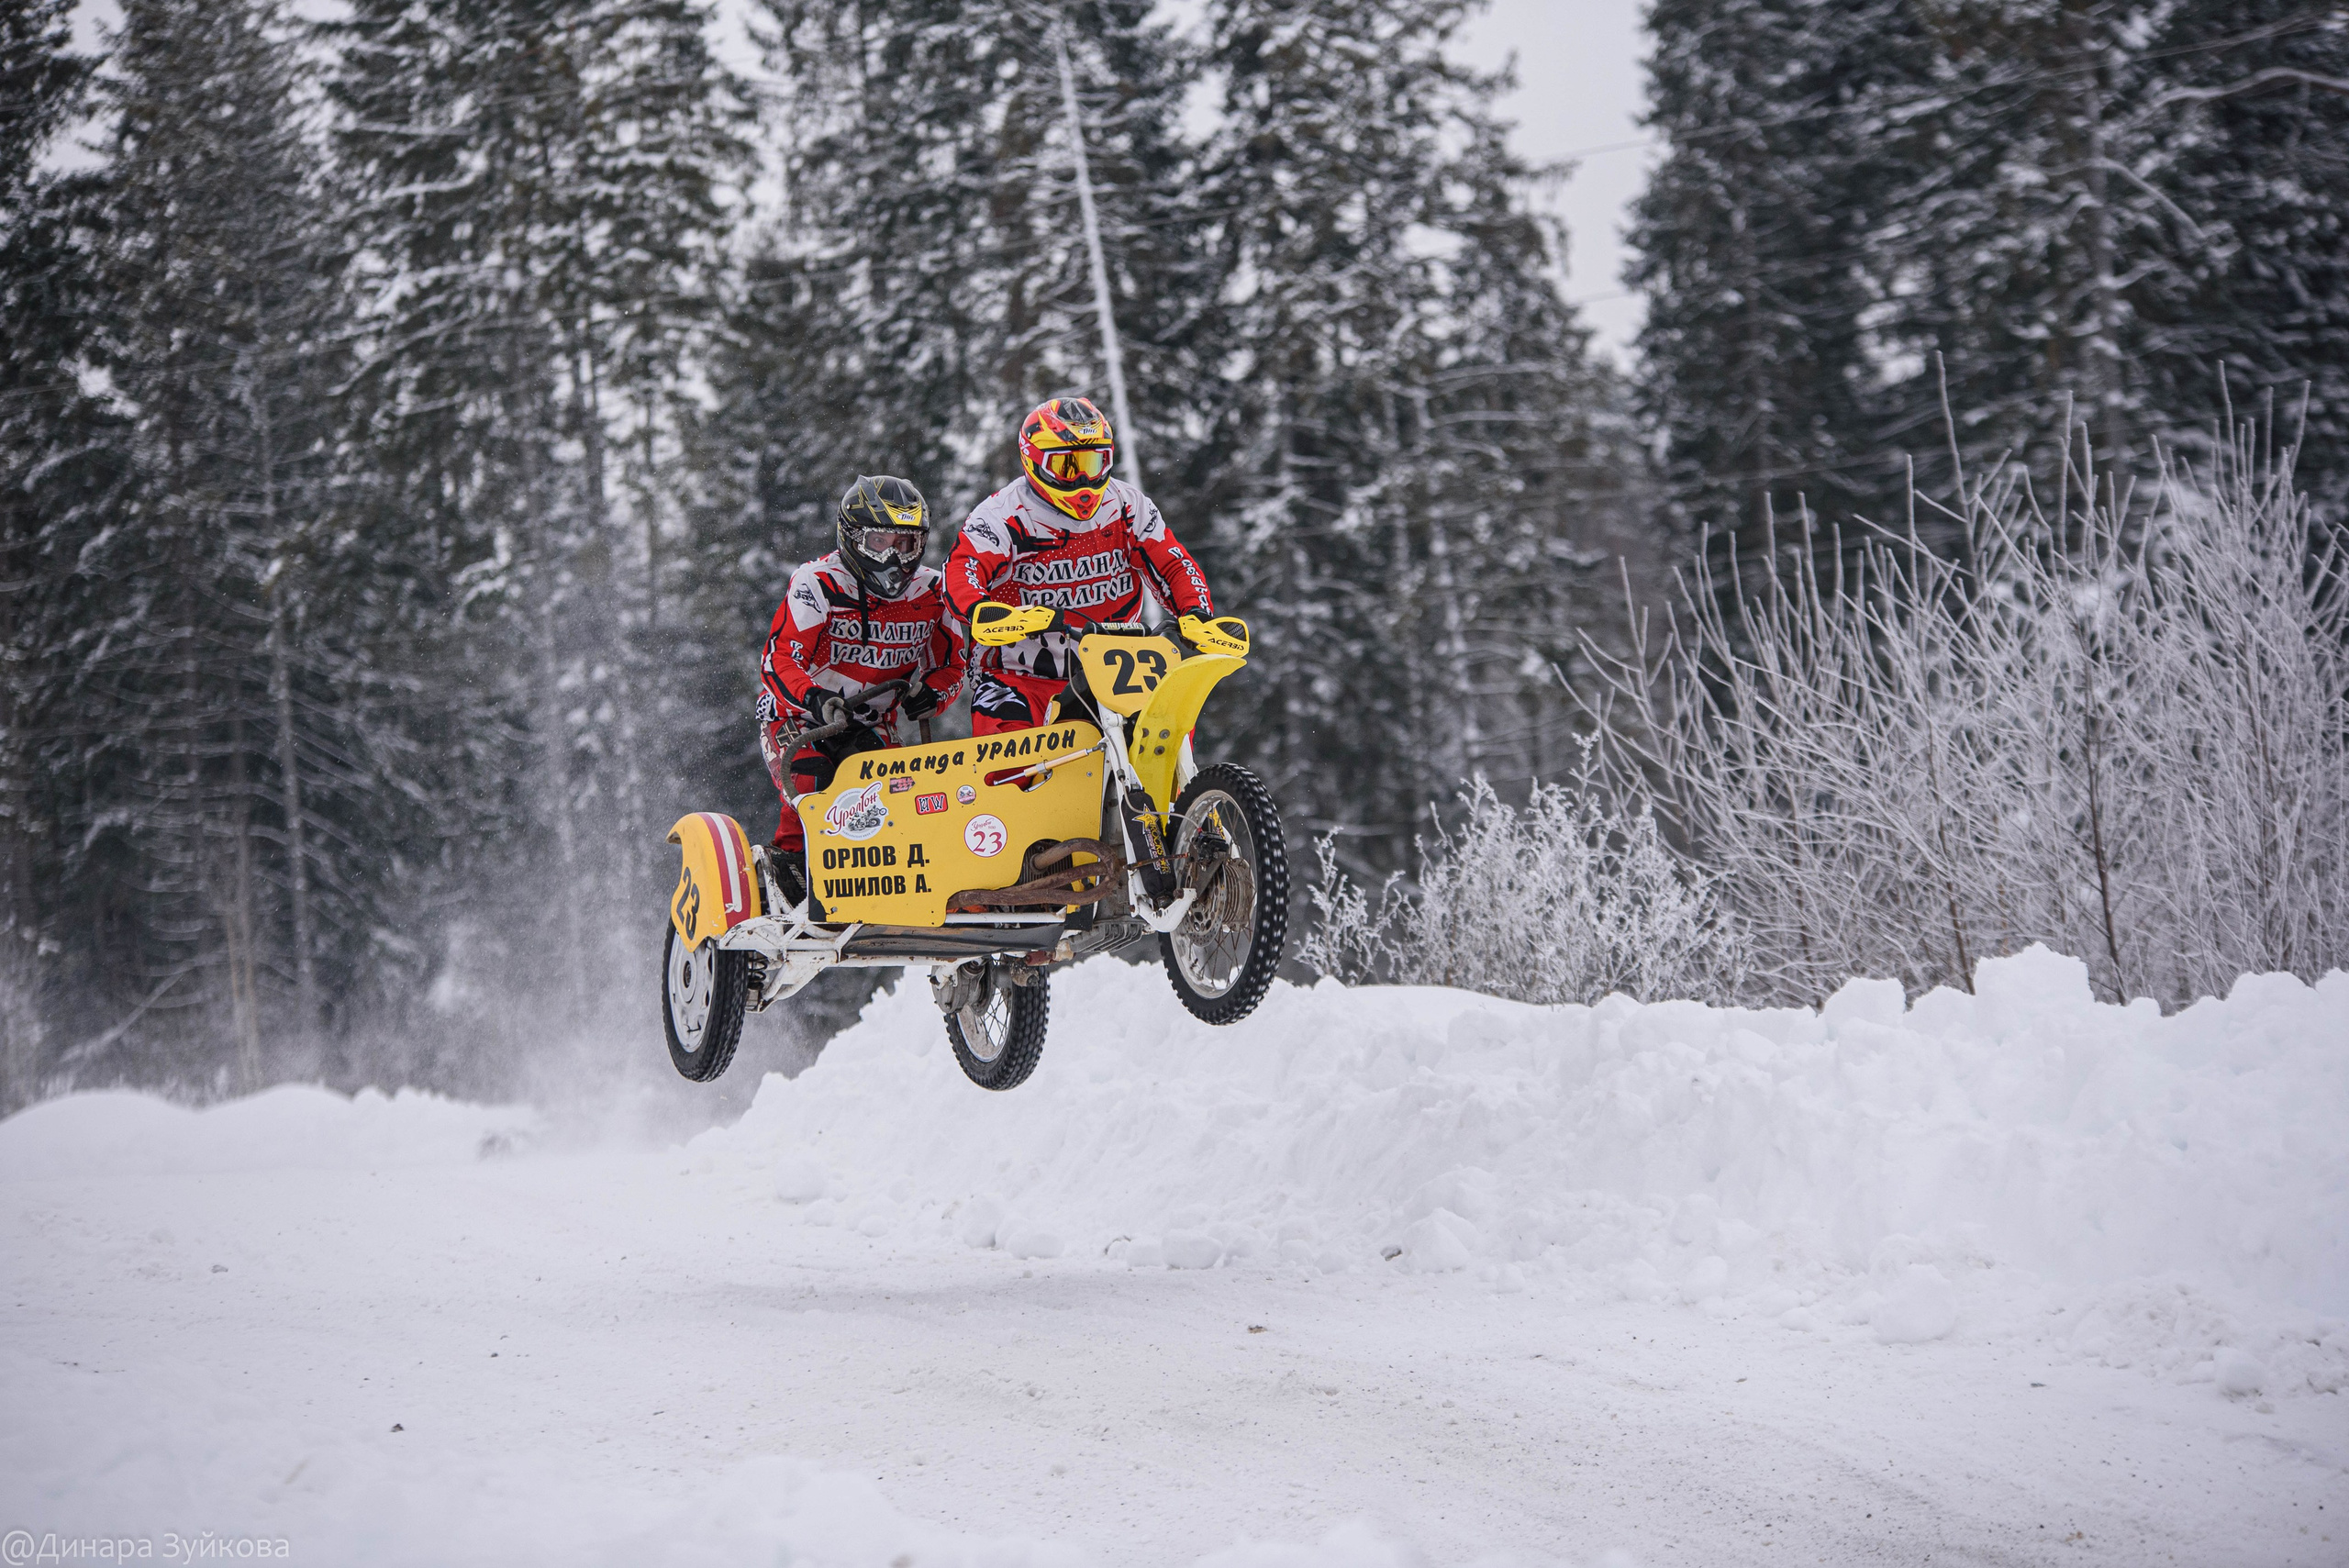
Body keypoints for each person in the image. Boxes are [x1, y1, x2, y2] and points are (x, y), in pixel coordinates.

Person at [941, 395, 1215, 734]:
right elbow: (961, 569)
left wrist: (1196, 612)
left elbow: (1173, 563)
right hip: (1021, 676)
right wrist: (981, 611)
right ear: (1034, 461)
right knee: (1009, 767)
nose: (1084, 480)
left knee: (1165, 733)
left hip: (1115, 669)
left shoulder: (1127, 506)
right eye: (1068, 466)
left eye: (1094, 463)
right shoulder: (1002, 515)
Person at [759, 475, 964, 889]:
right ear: (852, 539)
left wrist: (933, 695)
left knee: (897, 795)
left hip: (871, 719)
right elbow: (778, 659)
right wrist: (814, 697)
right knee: (814, 780)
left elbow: (954, 665)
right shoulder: (818, 583)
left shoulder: (932, 593)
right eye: (881, 543)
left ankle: (895, 885)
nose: (895, 559)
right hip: (796, 716)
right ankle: (788, 872)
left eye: (906, 545)